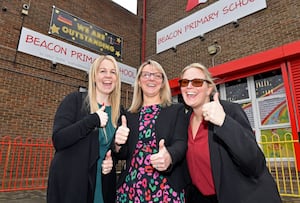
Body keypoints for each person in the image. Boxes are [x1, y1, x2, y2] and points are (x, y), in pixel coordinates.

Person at [179, 62, 282, 203]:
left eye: (196, 82)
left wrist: (224, 122)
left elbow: (255, 163)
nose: (189, 86)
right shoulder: (184, 121)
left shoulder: (229, 111)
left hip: (240, 197)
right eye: (184, 82)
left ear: (209, 89)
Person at [47, 55, 122, 203]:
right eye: (103, 71)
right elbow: (59, 139)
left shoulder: (118, 112)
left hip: (102, 182)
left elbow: (113, 150)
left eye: (113, 72)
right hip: (73, 184)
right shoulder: (75, 100)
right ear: (94, 76)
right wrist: (92, 120)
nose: (108, 76)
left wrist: (114, 156)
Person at [113, 60, 189, 202]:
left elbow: (181, 142)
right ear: (139, 82)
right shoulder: (128, 115)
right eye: (146, 75)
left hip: (165, 187)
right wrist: (117, 143)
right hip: (131, 187)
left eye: (156, 75)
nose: (151, 78)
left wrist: (169, 156)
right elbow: (123, 154)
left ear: (162, 82)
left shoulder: (176, 110)